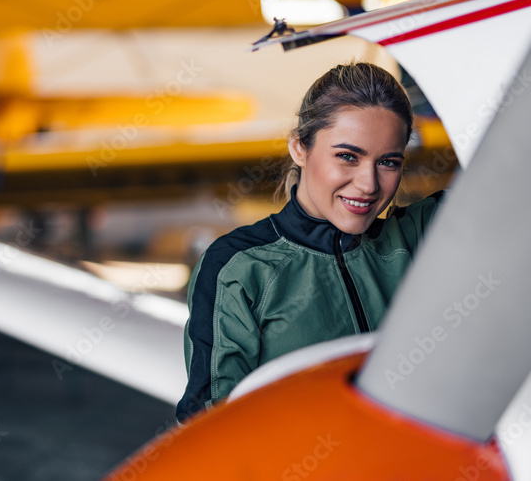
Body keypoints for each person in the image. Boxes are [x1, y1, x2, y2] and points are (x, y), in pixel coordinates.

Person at [176, 62, 444, 422]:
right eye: (348, 156)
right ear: (300, 148)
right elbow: (210, 427)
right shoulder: (239, 267)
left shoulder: (420, 235)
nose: (368, 184)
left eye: (389, 162)